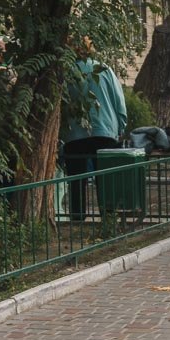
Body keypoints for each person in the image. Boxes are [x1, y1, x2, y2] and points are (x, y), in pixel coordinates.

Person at [61, 37, 128, 219]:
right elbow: (119, 102)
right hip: (105, 130)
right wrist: (120, 127)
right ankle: (109, 217)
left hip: (74, 133)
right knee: (106, 178)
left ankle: (77, 218)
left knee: (76, 179)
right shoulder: (104, 69)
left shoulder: (66, 73)